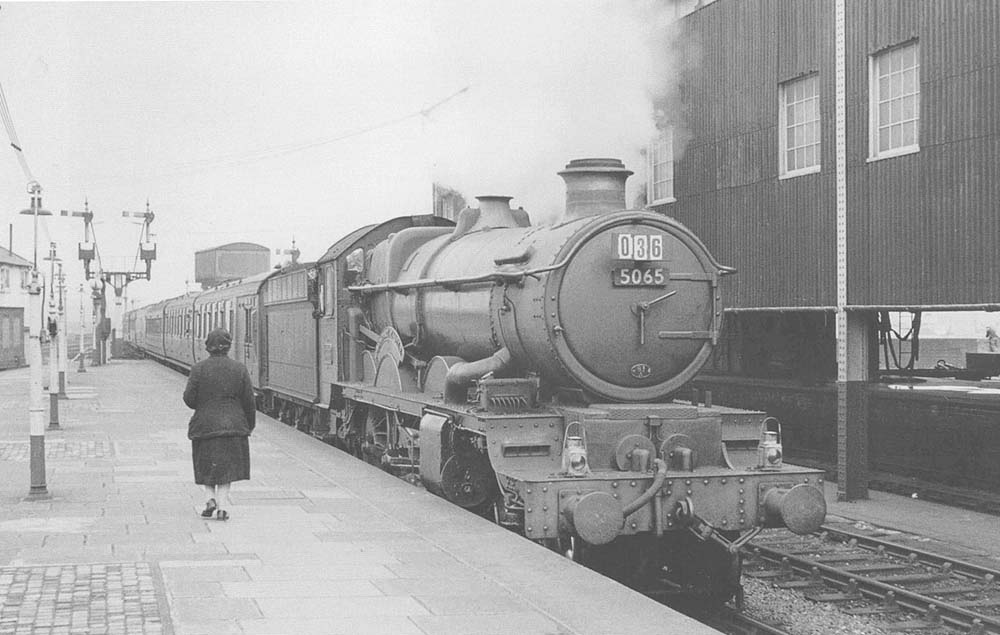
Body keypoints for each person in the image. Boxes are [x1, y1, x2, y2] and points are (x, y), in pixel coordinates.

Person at [183, 328, 255, 521]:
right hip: (233, 425)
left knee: (206, 465)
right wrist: (249, 425)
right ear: (229, 346)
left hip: (205, 426)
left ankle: (209, 498)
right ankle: (222, 506)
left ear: (208, 347)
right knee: (226, 469)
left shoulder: (198, 368)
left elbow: (189, 399)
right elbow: (249, 401)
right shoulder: (239, 369)